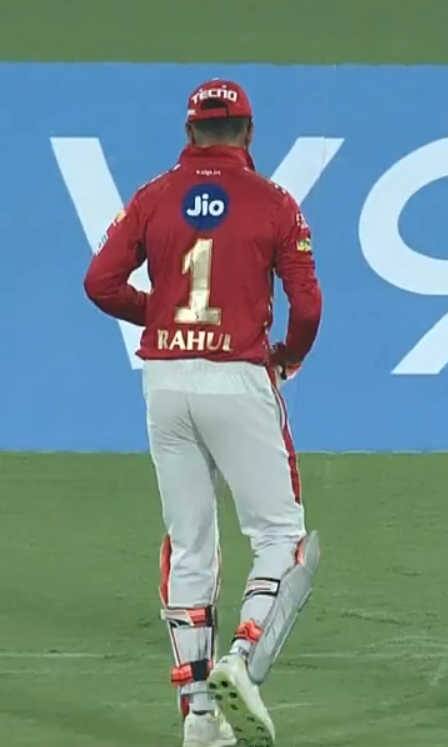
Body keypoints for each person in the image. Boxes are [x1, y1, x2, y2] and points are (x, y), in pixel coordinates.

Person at [84, 78, 324, 747]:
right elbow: (308, 306)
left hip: (164, 381)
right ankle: (242, 659)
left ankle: (198, 713)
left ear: (190, 132)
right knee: (283, 538)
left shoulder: (154, 195)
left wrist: (159, 315)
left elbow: (99, 282)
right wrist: (286, 356)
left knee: (190, 543)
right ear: (248, 132)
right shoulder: (274, 202)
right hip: (238, 375)